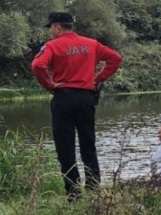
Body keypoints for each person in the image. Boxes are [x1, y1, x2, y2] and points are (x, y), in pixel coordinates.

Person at [31, 12, 123, 201]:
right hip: (86, 98)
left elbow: (37, 65)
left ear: (57, 27)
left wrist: (49, 85)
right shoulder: (91, 44)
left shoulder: (52, 46)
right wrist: (97, 79)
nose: (50, 32)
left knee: (65, 148)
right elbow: (115, 59)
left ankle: (74, 194)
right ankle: (93, 187)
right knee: (88, 144)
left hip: (63, 99)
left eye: (51, 28)